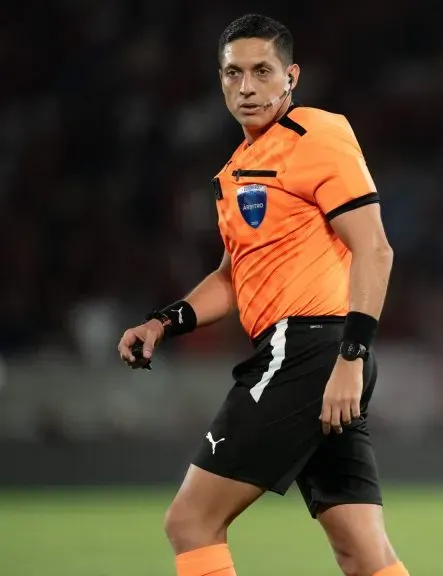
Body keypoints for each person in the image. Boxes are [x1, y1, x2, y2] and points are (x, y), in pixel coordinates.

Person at [116, 14, 407, 576]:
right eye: (233, 74)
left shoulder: (318, 134)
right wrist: (162, 322)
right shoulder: (235, 172)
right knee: (362, 551)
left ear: (290, 76)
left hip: (310, 351)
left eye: (261, 71)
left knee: (190, 522)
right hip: (316, 357)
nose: (246, 86)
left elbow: (375, 249)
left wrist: (351, 357)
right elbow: (231, 278)